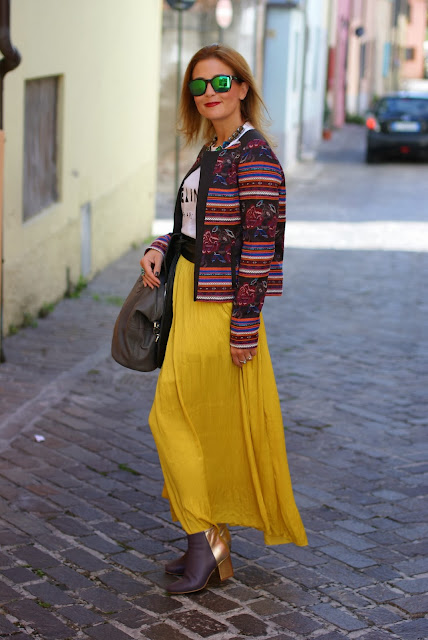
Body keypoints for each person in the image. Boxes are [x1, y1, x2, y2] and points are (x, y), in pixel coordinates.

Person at [140, 43, 307, 595]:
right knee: (191, 420)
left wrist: (244, 327)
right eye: (198, 85)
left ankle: (205, 540)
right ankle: (209, 538)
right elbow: (195, 223)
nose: (208, 93)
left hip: (219, 309)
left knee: (173, 417)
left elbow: (258, 248)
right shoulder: (215, 149)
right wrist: (162, 245)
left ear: (241, 88)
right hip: (189, 292)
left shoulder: (255, 158)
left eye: (220, 82)